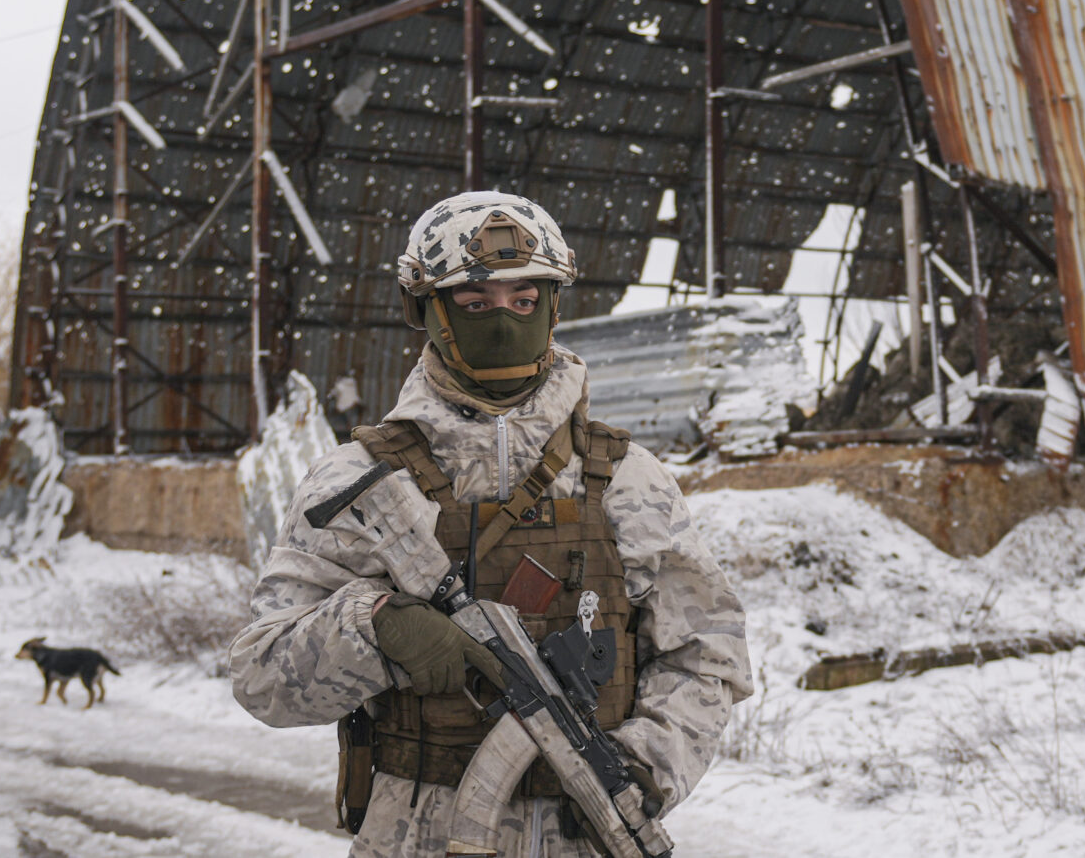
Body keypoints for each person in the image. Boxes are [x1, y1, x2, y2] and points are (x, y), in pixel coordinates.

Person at [228, 191, 752, 856]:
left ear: (552, 306)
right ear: (425, 309)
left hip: (586, 836)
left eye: (524, 300)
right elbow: (263, 678)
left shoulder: (627, 478)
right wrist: (372, 628)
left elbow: (708, 653)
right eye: (475, 304)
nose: (503, 320)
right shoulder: (360, 479)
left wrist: (643, 768)